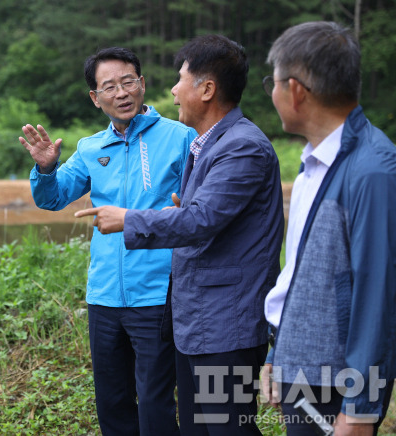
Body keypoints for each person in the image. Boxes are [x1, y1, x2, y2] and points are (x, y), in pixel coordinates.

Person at [75, 35, 285, 435]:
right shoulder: (206, 147)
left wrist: (130, 219)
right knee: (197, 428)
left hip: (229, 324)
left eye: (181, 79)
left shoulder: (241, 147)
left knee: (228, 428)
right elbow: (196, 217)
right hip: (198, 322)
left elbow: (201, 220)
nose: (171, 90)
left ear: (206, 89)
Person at [18, 47, 196, 436]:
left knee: (154, 400)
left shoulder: (181, 138)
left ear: (143, 84)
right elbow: (52, 197)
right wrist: (46, 168)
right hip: (104, 295)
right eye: (109, 87)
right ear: (95, 99)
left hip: (157, 293)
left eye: (129, 81)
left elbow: (199, 212)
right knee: (112, 400)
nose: (122, 93)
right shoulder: (90, 148)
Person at [259, 21, 396, 435]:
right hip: (303, 362)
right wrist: (278, 352)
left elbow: (379, 297)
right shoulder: (313, 163)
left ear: (296, 90)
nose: (272, 93)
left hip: (335, 382)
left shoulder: (372, 171)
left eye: (274, 82)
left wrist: (359, 409)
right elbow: (303, 271)